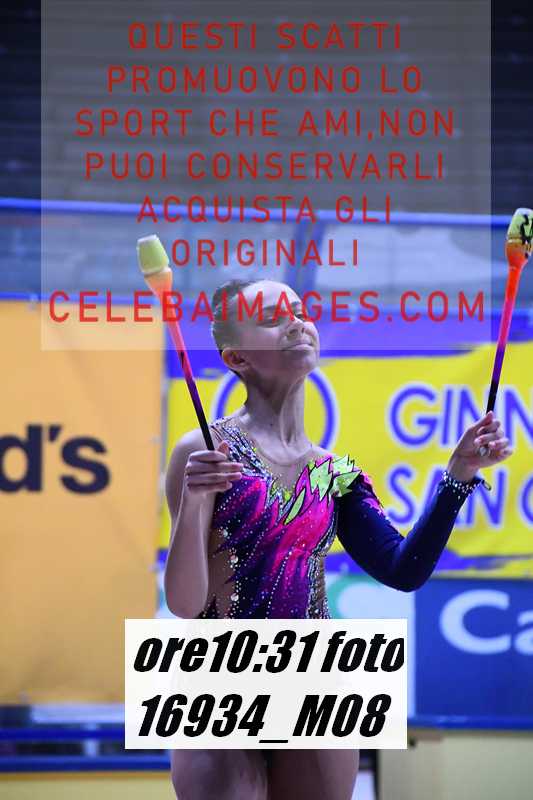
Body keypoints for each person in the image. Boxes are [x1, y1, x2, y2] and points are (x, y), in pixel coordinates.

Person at [164, 278, 513, 800]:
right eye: (272, 318)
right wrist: (194, 501)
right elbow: (185, 604)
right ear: (237, 358)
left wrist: (458, 476)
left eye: (299, 311)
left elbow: (403, 569)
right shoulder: (206, 453)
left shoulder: (334, 474)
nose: (296, 322)